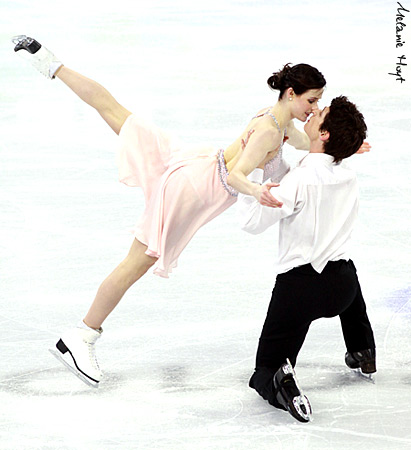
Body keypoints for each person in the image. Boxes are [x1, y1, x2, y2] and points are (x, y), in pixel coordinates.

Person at [11, 35, 368, 388]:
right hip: (193, 192)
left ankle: (50, 63)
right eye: (312, 100)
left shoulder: (278, 121)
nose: (314, 107)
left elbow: (312, 143)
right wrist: (256, 189)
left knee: (118, 113)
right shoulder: (269, 133)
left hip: (195, 164)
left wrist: (345, 143)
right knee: (136, 262)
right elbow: (238, 174)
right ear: (292, 94)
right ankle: (81, 336)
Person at [237, 96, 376, 422]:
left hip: (299, 292)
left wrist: (252, 181)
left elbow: (252, 223)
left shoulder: (301, 180)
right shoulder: (348, 176)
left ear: (324, 134)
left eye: (321, 113)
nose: (314, 112)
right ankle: (363, 350)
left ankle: (282, 383)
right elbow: (312, 167)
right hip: (341, 291)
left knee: (264, 370)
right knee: (348, 269)